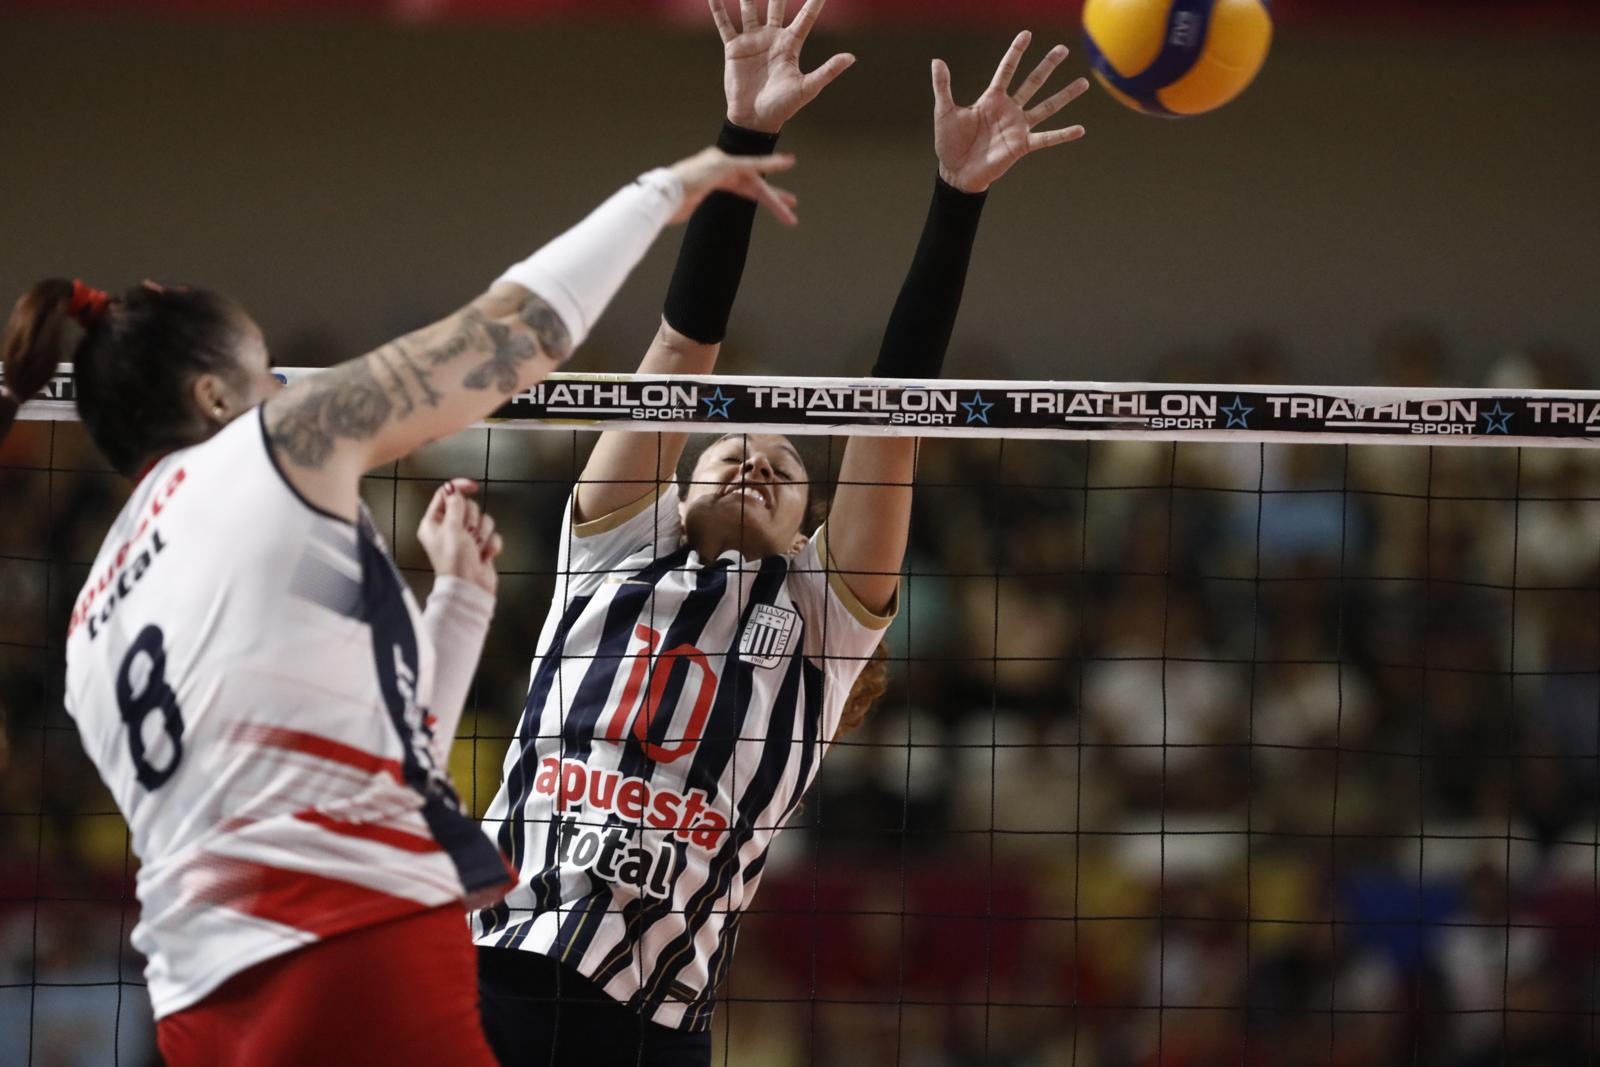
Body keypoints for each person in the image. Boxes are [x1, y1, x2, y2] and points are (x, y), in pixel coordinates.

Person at [0, 144, 797, 1065]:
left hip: (198, 1002)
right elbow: (517, 330)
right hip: (355, 938)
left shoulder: (93, 612)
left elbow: (381, 757)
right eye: (266, 372)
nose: (285, 390)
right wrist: (669, 190)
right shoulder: (277, 442)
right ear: (215, 394)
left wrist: (455, 603)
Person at [471, 2, 1090, 1063]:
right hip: (495, 961)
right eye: (727, 446)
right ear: (676, 475)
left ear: (811, 525)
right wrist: (742, 138)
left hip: (653, 1017)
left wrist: (957, 200)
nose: (758, 454)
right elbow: (680, 349)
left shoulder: (820, 620)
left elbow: (890, 430)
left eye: (790, 464)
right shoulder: (613, 544)